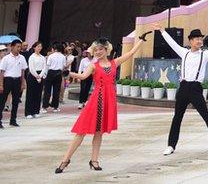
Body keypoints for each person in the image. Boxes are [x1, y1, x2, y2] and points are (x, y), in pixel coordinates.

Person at [54, 34, 147, 173]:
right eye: (95, 50)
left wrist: (141, 40)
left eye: (100, 49)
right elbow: (83, 76)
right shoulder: (94, 65)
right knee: (81, 131)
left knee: (99, 132)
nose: (98, 52)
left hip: (108, 101)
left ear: (106, 50)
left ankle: (94, 160)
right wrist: (69, 73)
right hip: (96, 100)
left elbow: (131, 53)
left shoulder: (114, 63)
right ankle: (65, 160)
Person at [154, 23, 208, 155]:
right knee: (177, 117)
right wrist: (162, 31)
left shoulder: (205, 55)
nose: (200, 41)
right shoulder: (184, 52)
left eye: (201, 39)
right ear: (191, 41)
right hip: (184, 87)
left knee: (206, 115)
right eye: (197, 39)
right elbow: (171, 43)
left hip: (196, 88)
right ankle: (171, 145)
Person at [0, 39, 28, 128]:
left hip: (17, 81)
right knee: (2, 101)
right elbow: (2, 72)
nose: (19, 48)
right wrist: (1, 85)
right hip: (7, 80)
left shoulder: (22, 58)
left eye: (20, 47)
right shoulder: (6, 58)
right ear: (12, 47)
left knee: (16, 101)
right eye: (17, 46)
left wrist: (23, 83)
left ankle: (13, 120)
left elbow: (22, 72)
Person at [44, 42, 67, 112]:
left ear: (55, 48)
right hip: (59, 73)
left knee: (47, 90)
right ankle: (55, 107)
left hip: (50, 73)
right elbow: (64, 66)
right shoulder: (63, 57)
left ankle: (44, 107)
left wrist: (45, 74)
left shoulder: (51, 56)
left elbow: (47, 66)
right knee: (56, 91)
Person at [24, 41, 45, 119]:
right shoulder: (32, 57)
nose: (40, 48)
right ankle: (28, 112)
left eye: (41, 46)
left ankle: (36, 111)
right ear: (34, 47)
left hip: (40, 75)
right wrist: (37, 76)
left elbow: (44, 67)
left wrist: (40, 76)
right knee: (30, 94)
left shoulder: (42, 57)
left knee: (38, 94)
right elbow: (31, 68)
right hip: (33, 76)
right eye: (38, 46)